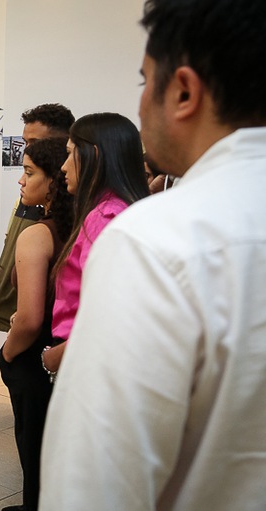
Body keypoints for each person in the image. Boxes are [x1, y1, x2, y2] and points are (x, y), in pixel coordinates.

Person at [40, 1, 266, 510]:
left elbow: (92, 485)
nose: (140, 106)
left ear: (183, 91)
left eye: (145, 82)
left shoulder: (152, 241)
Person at [38, 113, 149, 377]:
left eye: (70, 154)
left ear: (94, 155)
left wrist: (54, 357)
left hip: (85, 359)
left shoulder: (105, 216)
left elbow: (107, 313)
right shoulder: (126, 210)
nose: (63, 167)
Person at [0, 137, 73, 511]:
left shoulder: (39, 234)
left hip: (36, 357)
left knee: (34, 455)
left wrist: (7, 354)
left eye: (28, 172)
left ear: (53, 180)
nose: (21, 180)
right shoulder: (80, 228)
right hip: (66, 357)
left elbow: (29, 319)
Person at [0, 104, 75, 332]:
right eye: (26, 142)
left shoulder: (68, 210)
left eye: (35, 142)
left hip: (34, 326)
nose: (28, 149)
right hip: (12, 318)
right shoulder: (27, 198)